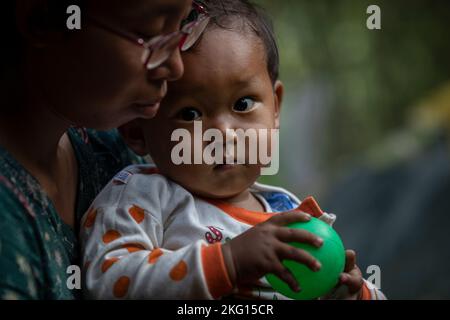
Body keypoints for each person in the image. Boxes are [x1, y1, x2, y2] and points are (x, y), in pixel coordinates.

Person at [80, 0, 386, 300]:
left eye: (243, 104)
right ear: (136, 130)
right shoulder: (141, 197)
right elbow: (107, 281)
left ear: (275, 107)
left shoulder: (293, 218)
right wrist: (228, 262)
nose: (224, 133)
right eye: (190, 114)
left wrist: (352, 293)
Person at [0, 0, 210, 299]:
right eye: (149, 33)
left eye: (184, 24)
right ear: (41, 18)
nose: (176, 66)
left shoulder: (110, 152)